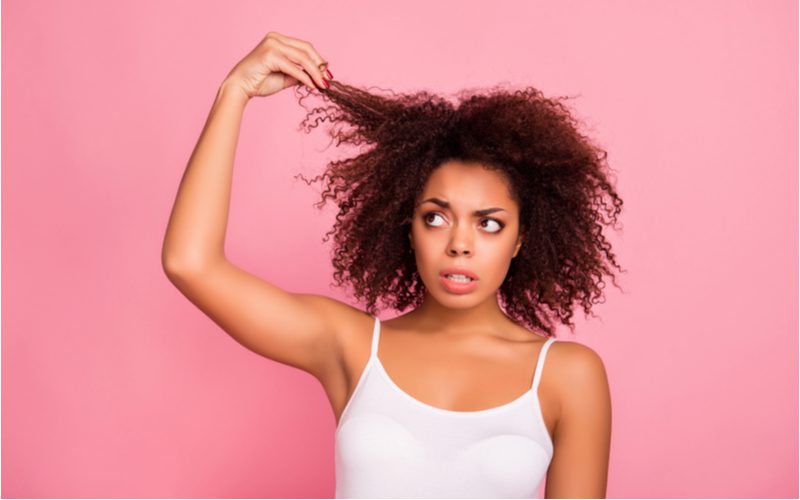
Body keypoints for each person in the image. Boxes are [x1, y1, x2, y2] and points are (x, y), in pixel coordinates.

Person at [162, 31, 622, 499]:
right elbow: (189, 263)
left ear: (521, 240)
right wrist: (234, 91)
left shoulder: (568, 375)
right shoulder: (353, 348)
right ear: (409, 228)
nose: (459, 243)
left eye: (488, 224)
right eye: (436, 217)